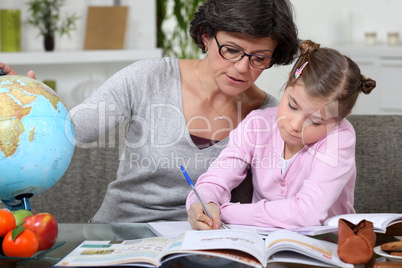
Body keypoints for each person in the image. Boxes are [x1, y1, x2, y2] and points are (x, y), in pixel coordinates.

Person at [0, 0, 299, 223]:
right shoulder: (148, 78)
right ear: (206, 37)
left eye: (259, 58)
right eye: (231, 50)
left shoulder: (274, 116)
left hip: (204, 245)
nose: (242, 68)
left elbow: (280, 196)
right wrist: (27, 103)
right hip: (120, 234)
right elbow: (72, 129)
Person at [186, 40, 377, 230]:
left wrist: (225, 211)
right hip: (260, 240)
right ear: (287, 84)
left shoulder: (339, 138)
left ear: (340, 119)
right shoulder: (257, 125)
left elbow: (307, 214)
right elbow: (217, 178)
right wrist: (203, 202)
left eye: (316, 121)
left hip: (326, 245)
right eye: (292, 106)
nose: (295, 125)